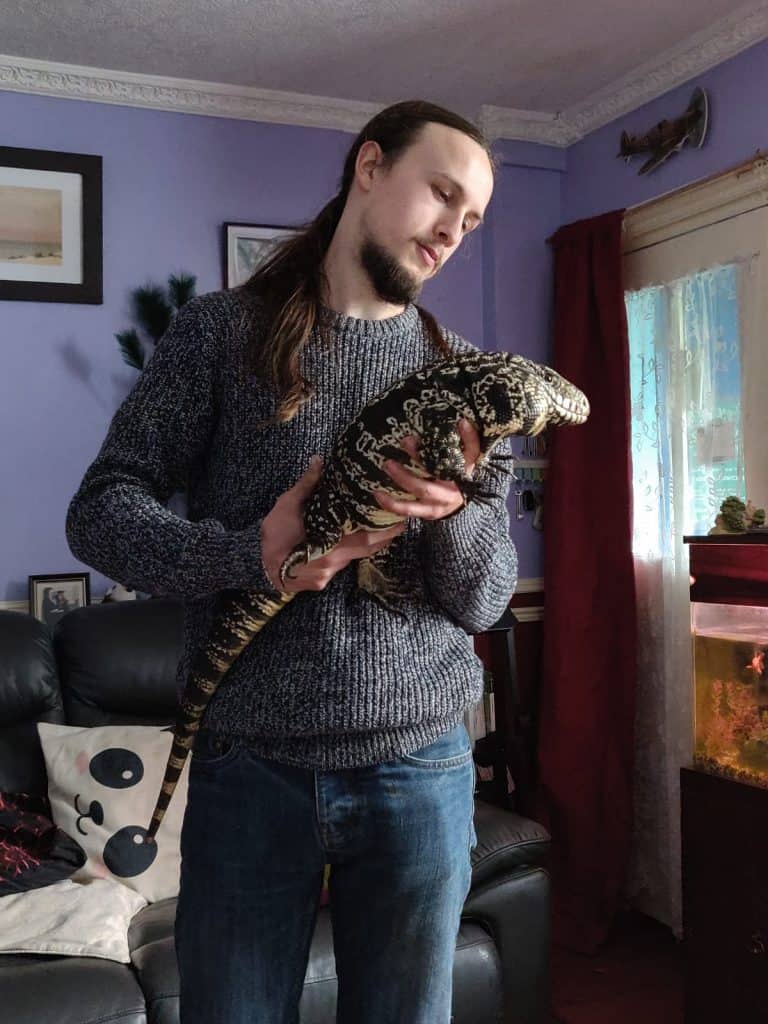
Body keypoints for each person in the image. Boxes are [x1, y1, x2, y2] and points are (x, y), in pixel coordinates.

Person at [66, 99, 517, 1024]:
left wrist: (453, 511)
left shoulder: (470, 382)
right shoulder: (219, 335)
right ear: (368, 166)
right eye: (441, 194)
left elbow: (483, 600)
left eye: (470, 220)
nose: (451, 232)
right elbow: (100, 513)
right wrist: (250, 551)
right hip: (247, 772)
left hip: (420, 770)